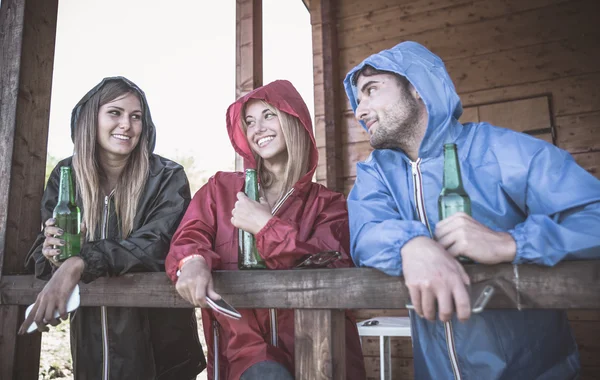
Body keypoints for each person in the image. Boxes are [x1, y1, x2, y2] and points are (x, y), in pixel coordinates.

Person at [343, 41, 600, 379]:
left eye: (371, 90)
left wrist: (511, 243)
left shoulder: (501, 150)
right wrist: (412, 244)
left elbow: (592, 215)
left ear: (417, 88)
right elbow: (365, 231)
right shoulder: (376, 173)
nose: (360, 111)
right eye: (358, 99)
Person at [166, 80, 366, 380]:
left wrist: (266, 227)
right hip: (246, 358)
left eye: (269, 115)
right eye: (249, 121)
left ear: (294, 120)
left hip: (322, 355)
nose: (258, 127)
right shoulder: (221, 190)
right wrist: (191, 262)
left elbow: (333, 267)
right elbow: (190, 236)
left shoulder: (330, 205)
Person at [21, 77, 206, 380]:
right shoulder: (66, 176)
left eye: (136, 116)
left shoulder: (167, 176)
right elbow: (41, 248)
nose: (127, 125)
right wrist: (52, 254)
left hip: (161, 353)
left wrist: (80, 261)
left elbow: (155, 245)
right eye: (115, 113)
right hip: (92, 349)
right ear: (91, 118)